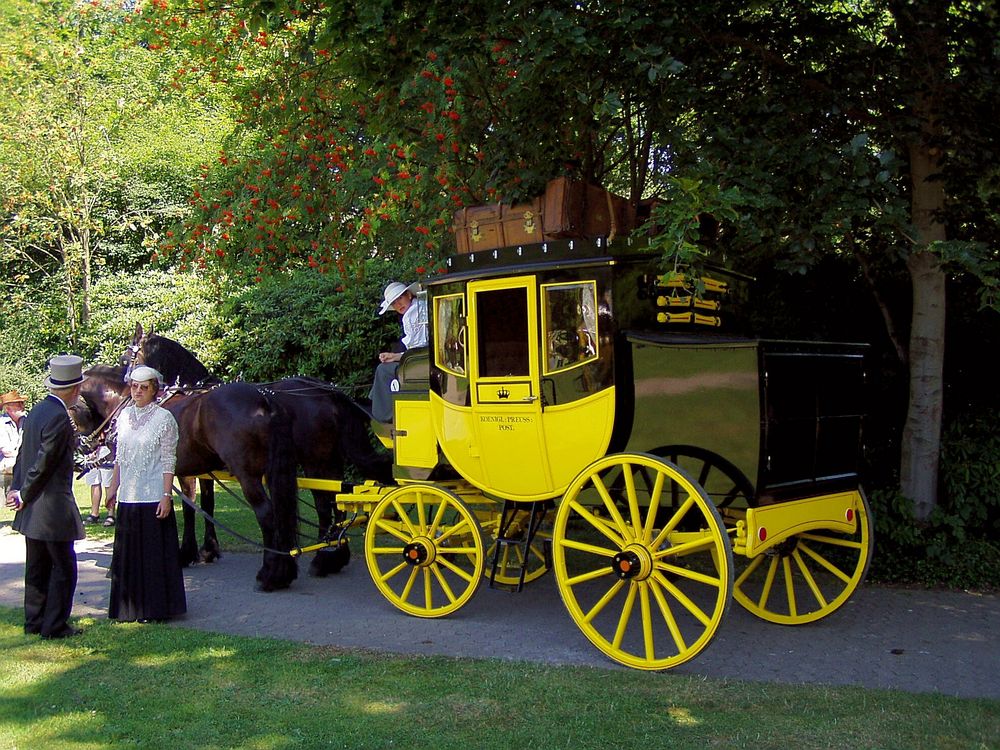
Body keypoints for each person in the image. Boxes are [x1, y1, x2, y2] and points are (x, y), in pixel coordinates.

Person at [4, 356, 87, 639]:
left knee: (37, 568)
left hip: (33, 506)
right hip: (51, 507)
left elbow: (22, 458)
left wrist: (16, 490)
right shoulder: (59, 418)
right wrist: (24, 493)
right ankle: (54, 626)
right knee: (64, 569)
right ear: (75, 389)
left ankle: (34, 621)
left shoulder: (38, 410)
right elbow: (43, 461)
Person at [105, 365, 186, 622]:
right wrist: (113, 487)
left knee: (152, 556)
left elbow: (167, 460)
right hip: (128, 496)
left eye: (144, 387)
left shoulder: (164, 419)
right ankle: (128, 607)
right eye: (134, 386)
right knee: (128, 553)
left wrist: (166, 495)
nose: (138, 391)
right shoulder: (124, 416)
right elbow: (120, 457)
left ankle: (154, 608)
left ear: (154, 390)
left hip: (152, 496)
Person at [368, 281, 428, 423]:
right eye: (394, 303)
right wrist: (395, 356)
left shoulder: (412, 314)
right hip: (423, 358)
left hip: (422, 363)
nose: (398, 305)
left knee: (383, 370)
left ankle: (384, 415)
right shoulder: (419, 308)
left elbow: (417, 350)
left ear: (408, 295)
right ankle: (375, 402)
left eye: (400, 298)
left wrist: (396, 357)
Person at [1, 389, 28, 495]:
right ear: (8, 408)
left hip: (19, 460)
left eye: (22, 403)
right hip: (6, 463)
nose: (22, 406)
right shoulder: (1, 424)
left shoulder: (26, 421)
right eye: (18, 404)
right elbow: (7, 452)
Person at [82, 445, 116, 527]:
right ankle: (94, 513)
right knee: (94, 482)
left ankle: (111, 514)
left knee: (108, 483)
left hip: (107, 447)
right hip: (90, 448)